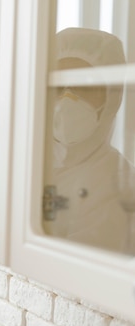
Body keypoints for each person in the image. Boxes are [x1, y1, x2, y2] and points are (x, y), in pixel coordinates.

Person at [46, 27, 133, 252]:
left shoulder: (120, 183)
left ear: (112, 98)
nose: (67, 99)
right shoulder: (32, 164)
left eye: (84, 87)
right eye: (58, 86)